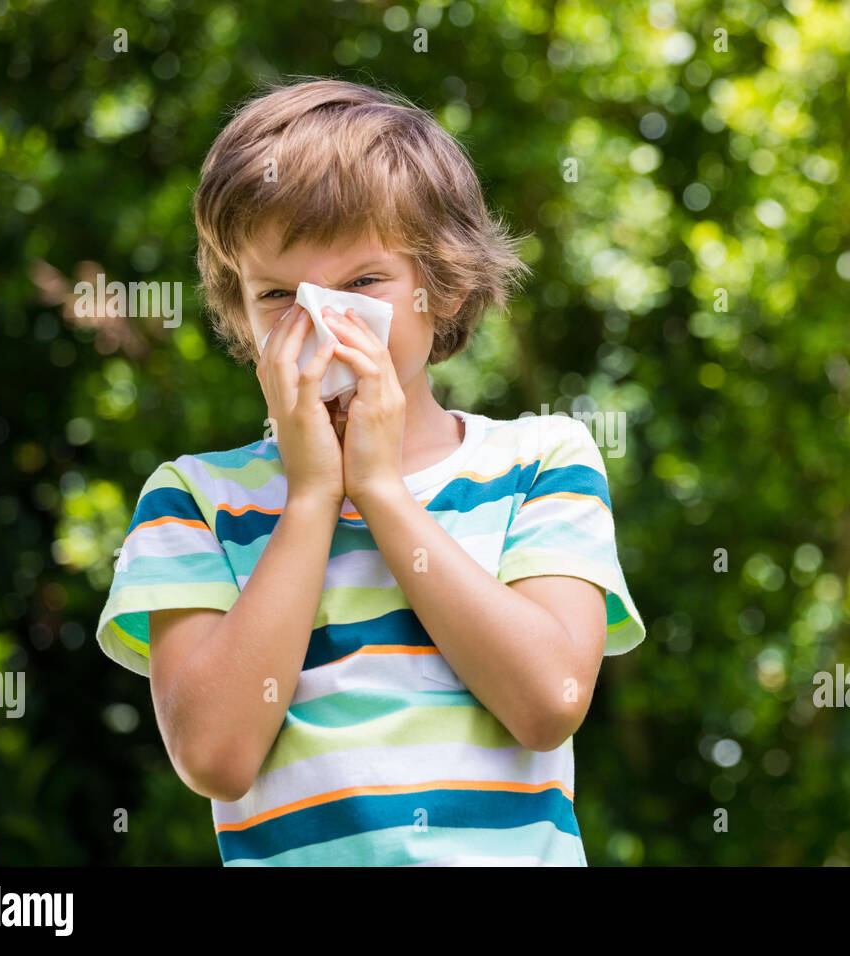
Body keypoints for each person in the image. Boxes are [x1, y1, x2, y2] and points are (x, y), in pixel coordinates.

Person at [94, 78, 646, 866]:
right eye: (279, 293)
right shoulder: (191, 502)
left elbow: (548, 703)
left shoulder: (539, 464)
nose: (323, 322)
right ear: (241, 314)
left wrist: (380, 490)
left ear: (441, 287)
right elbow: (216, 756)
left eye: (362, 283)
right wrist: (316, 495)